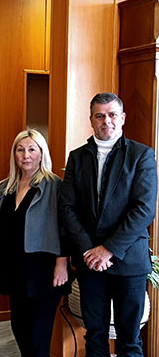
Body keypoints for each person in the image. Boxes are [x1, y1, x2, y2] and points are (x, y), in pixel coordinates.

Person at [60, 92, 157, 357]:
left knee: (129, 341)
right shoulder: (77, 157)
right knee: (95, 337)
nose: (107, 121)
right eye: (100, 116)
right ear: (91, 119)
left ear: (122, 118)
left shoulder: (141, 155)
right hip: (90, 262)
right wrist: (89, 250)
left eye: (112, 115)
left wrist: (108, 250)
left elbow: (144, 209)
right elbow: (67, 208)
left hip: (129, 261)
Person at [0, 129, 68, 356]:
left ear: (42, 153)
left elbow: (65, 227)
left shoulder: (54, 185)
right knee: (20, 330)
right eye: (20, 149)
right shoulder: (7, 187)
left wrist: (61, 263)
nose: (26, 155)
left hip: (43, 269)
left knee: (37, 338)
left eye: (32, 149)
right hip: (14, 268)